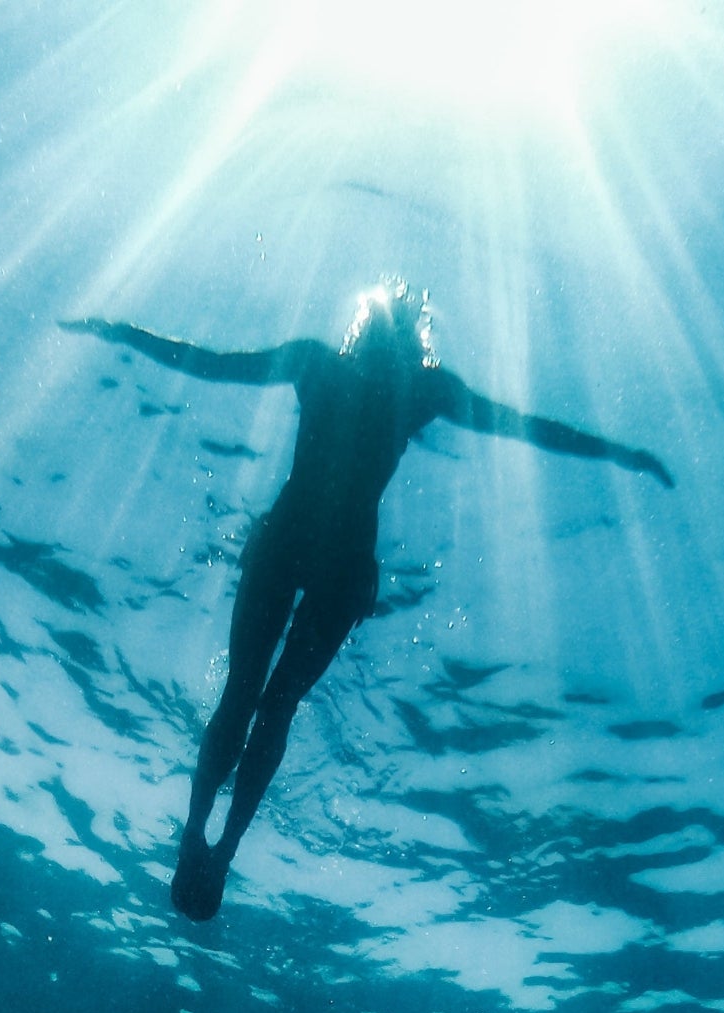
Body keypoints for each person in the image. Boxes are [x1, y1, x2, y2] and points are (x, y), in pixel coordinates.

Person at [63, 280, 673, 921]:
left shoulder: (360, 373)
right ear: (410, 337)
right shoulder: (395, 382)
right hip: (330, 562)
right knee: (261, 701)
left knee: (259, 700)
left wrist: (620, 453)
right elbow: (525, 428)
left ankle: (209, 840)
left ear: (376, 332)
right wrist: (120, 332)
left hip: (309, 554)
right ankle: (205, 840)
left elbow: (526, 428)